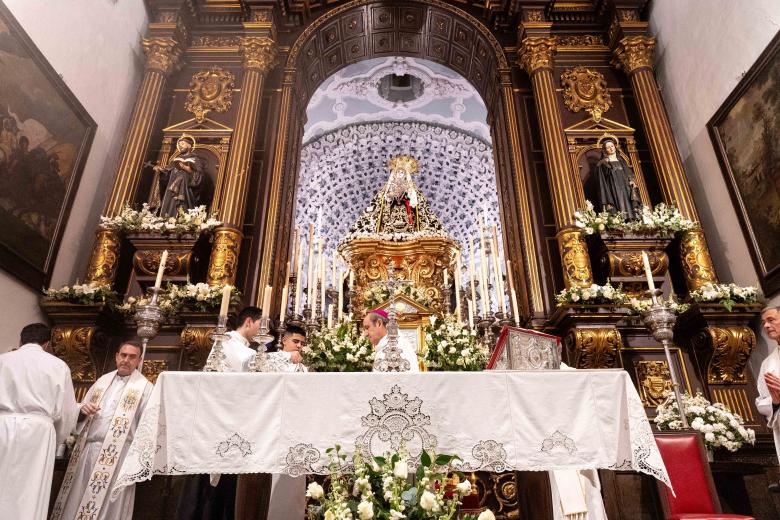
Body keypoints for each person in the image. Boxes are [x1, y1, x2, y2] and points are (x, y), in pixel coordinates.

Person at [52, 341, 153, 520]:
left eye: (132, 357)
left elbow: (147, 427)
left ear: (139, 360)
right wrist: (83, 411)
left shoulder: (145, 388)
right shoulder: (102, 381)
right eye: (123, 355)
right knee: (77, 497)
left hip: (119, 455)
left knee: (108, 505)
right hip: (88, 450)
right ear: (116, 356)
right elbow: (80, 410)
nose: (126, 360)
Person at [0, 323, 79, 520]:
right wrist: (56, 439)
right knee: (31, 491)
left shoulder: (3, 360)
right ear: (47, 344)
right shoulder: (58, 366)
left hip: (3, 424)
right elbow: (67, 412)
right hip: (39, 432)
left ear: (21, 340)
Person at [150, 134, 205, 218]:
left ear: (189, 146)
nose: (180, 146)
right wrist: (162, 170)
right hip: (171, 188)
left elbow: (199, 175)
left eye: (182, 144)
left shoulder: (195, 159)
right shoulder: (176, 159)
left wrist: (187, 169)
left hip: (185, 188)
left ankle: (182, 218)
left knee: (183, 175)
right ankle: (166, 218)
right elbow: (168, 172)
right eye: (179, 145)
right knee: (170, 203)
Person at [756, 306, 780, 492]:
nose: (766, 326)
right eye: (764, 322)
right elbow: (761, 401)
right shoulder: (768, 363)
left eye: (771, 320)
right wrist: (775, 402)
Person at [596, 136, 641, 220]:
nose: (611, 148)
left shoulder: (621, 160)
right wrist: (606, 165)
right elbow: (602, 179)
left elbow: (628, 172)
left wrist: (631, 180)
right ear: (605, 150)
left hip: (626, 186)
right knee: (619, 202)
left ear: (615, 147)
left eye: (612, 146)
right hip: (614, 186)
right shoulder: (602, 163)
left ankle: (632, 219)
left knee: (629, 202)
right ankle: (621, 220)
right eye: (608, 147)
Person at [207, 306, 262, 372]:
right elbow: (245, 363)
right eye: (260, 324)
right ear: (248, 322)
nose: (262, 329)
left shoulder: (241, 343)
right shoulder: (227, 339)